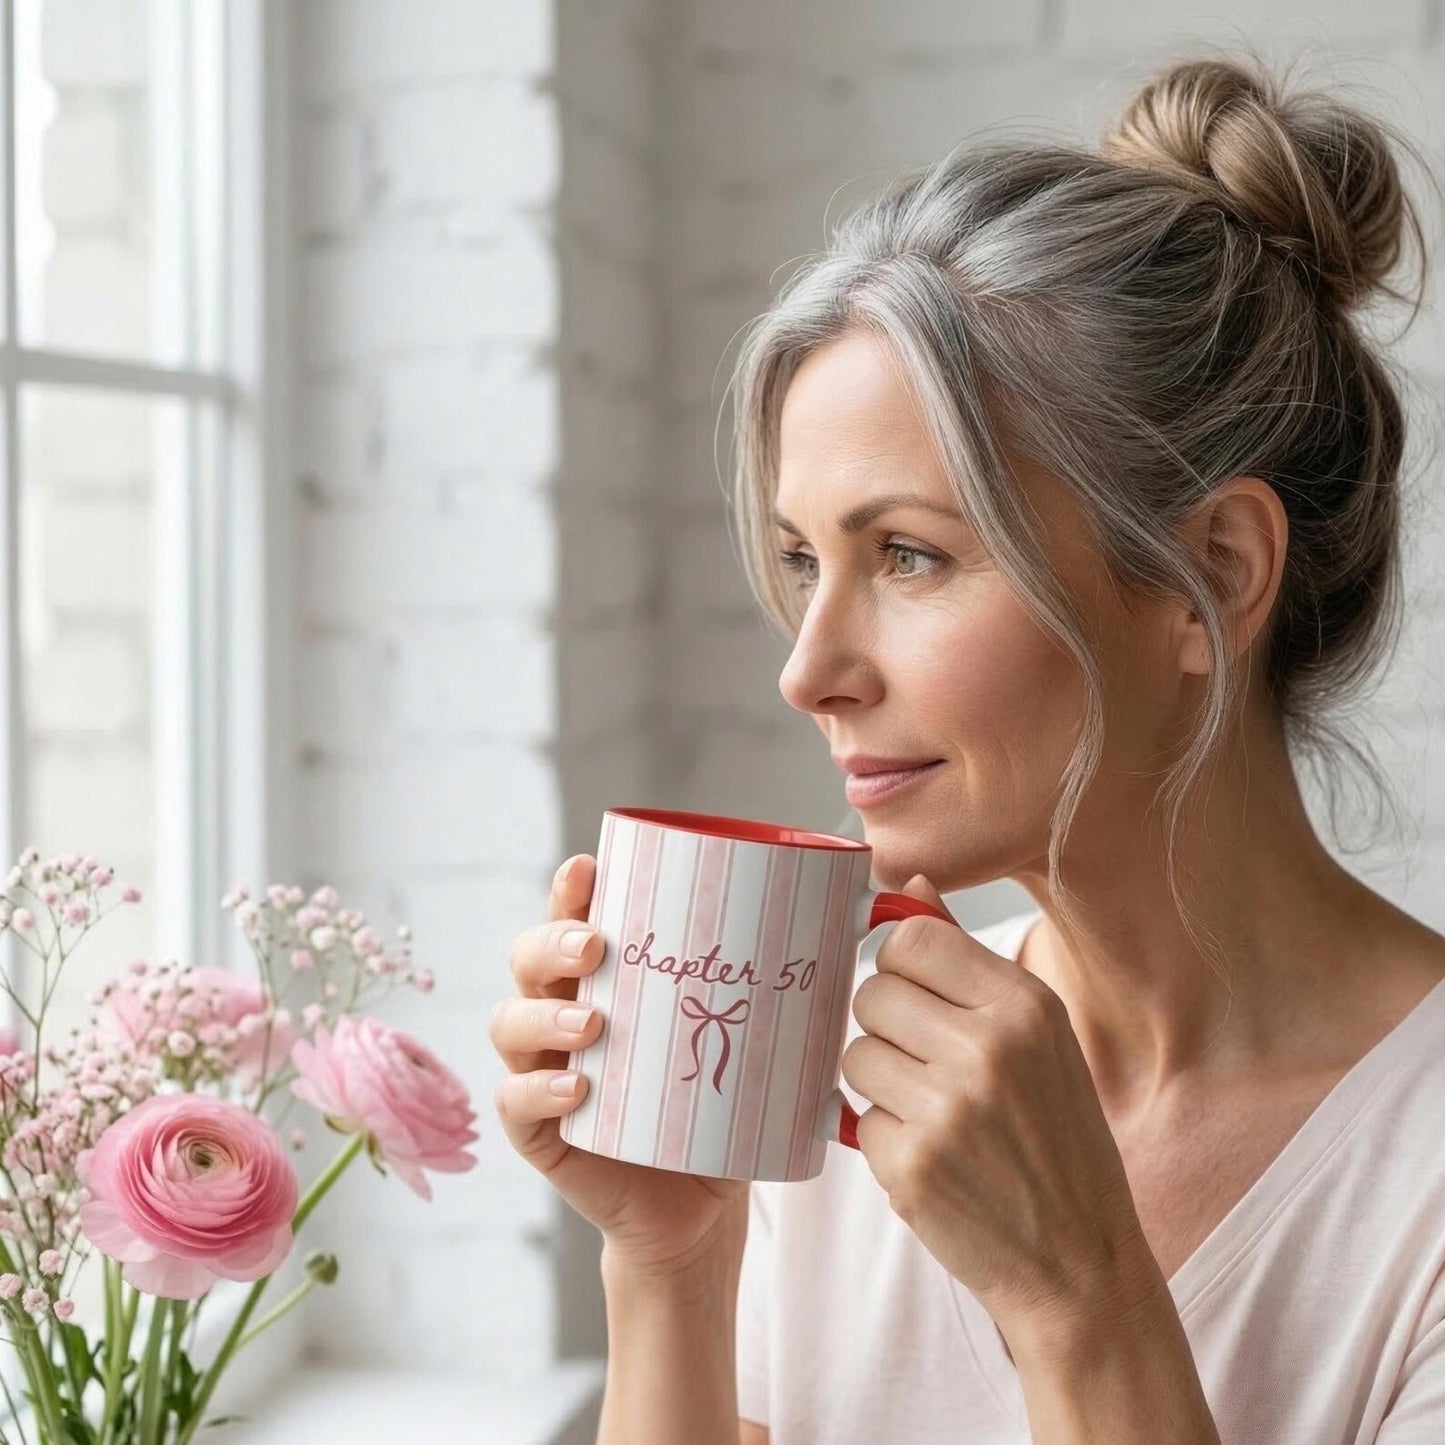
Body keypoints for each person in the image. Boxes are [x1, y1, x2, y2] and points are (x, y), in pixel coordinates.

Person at [489, 51, 1445, 1443]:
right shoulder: (829, 1060)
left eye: (912, 556)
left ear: (1211, 578)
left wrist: (1082, 1298)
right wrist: (668, 1261)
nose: (806, 667)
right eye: (802, 558)